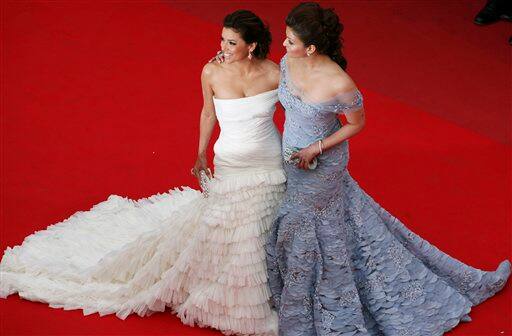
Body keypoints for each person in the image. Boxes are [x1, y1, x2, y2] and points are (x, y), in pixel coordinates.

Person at [1, 10, 283, 336]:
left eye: (232, 42)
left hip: (268, 164)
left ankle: (264, 290)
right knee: (234, 229)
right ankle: (231, 295)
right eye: (222, 38)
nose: (223, 46)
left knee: (258, 228)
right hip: (231, 163)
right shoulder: (211, 72)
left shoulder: (275, 74)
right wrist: (201, 152)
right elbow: (208, 112)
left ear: (252, 46)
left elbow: (299, 113)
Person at [264, 2, 511, 335]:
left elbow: (355, 125)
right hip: (291, 156)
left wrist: (317, 147)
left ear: (310, 47)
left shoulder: (340, 84)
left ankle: (318, 301)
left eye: (290, 40)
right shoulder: (287, 63)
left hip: (321, 166)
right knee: (331, 220)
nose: (283, 45)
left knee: (314, 226)